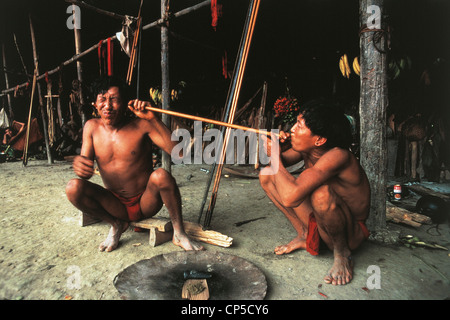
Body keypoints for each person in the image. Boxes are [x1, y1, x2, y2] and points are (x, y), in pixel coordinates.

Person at [65, 76, 204, 252]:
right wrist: (80, 164)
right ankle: (116, 225)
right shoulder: (91, 127)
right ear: (95, 104)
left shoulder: (142, 125)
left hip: (146, 201)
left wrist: (153, 119)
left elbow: (181, 153)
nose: (108, 106)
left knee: (161, 176)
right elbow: (84, 167)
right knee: (73, 187)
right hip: (114, 204)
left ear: (125, 104)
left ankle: (179, 233)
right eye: (102, 100)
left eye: (114, 100)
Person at [259, 100, 370, 286]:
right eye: (295, 123)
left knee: (321, 193)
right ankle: (304, 234)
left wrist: (275, 155)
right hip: (324, 225)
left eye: (299, 126)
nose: (292, 129)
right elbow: (277, 166)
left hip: (350, 233)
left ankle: (342, 254)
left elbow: (289, 198)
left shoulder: (338, 156)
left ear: (319, 140)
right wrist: (278, 147)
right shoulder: (309, 149)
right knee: (267, 174)